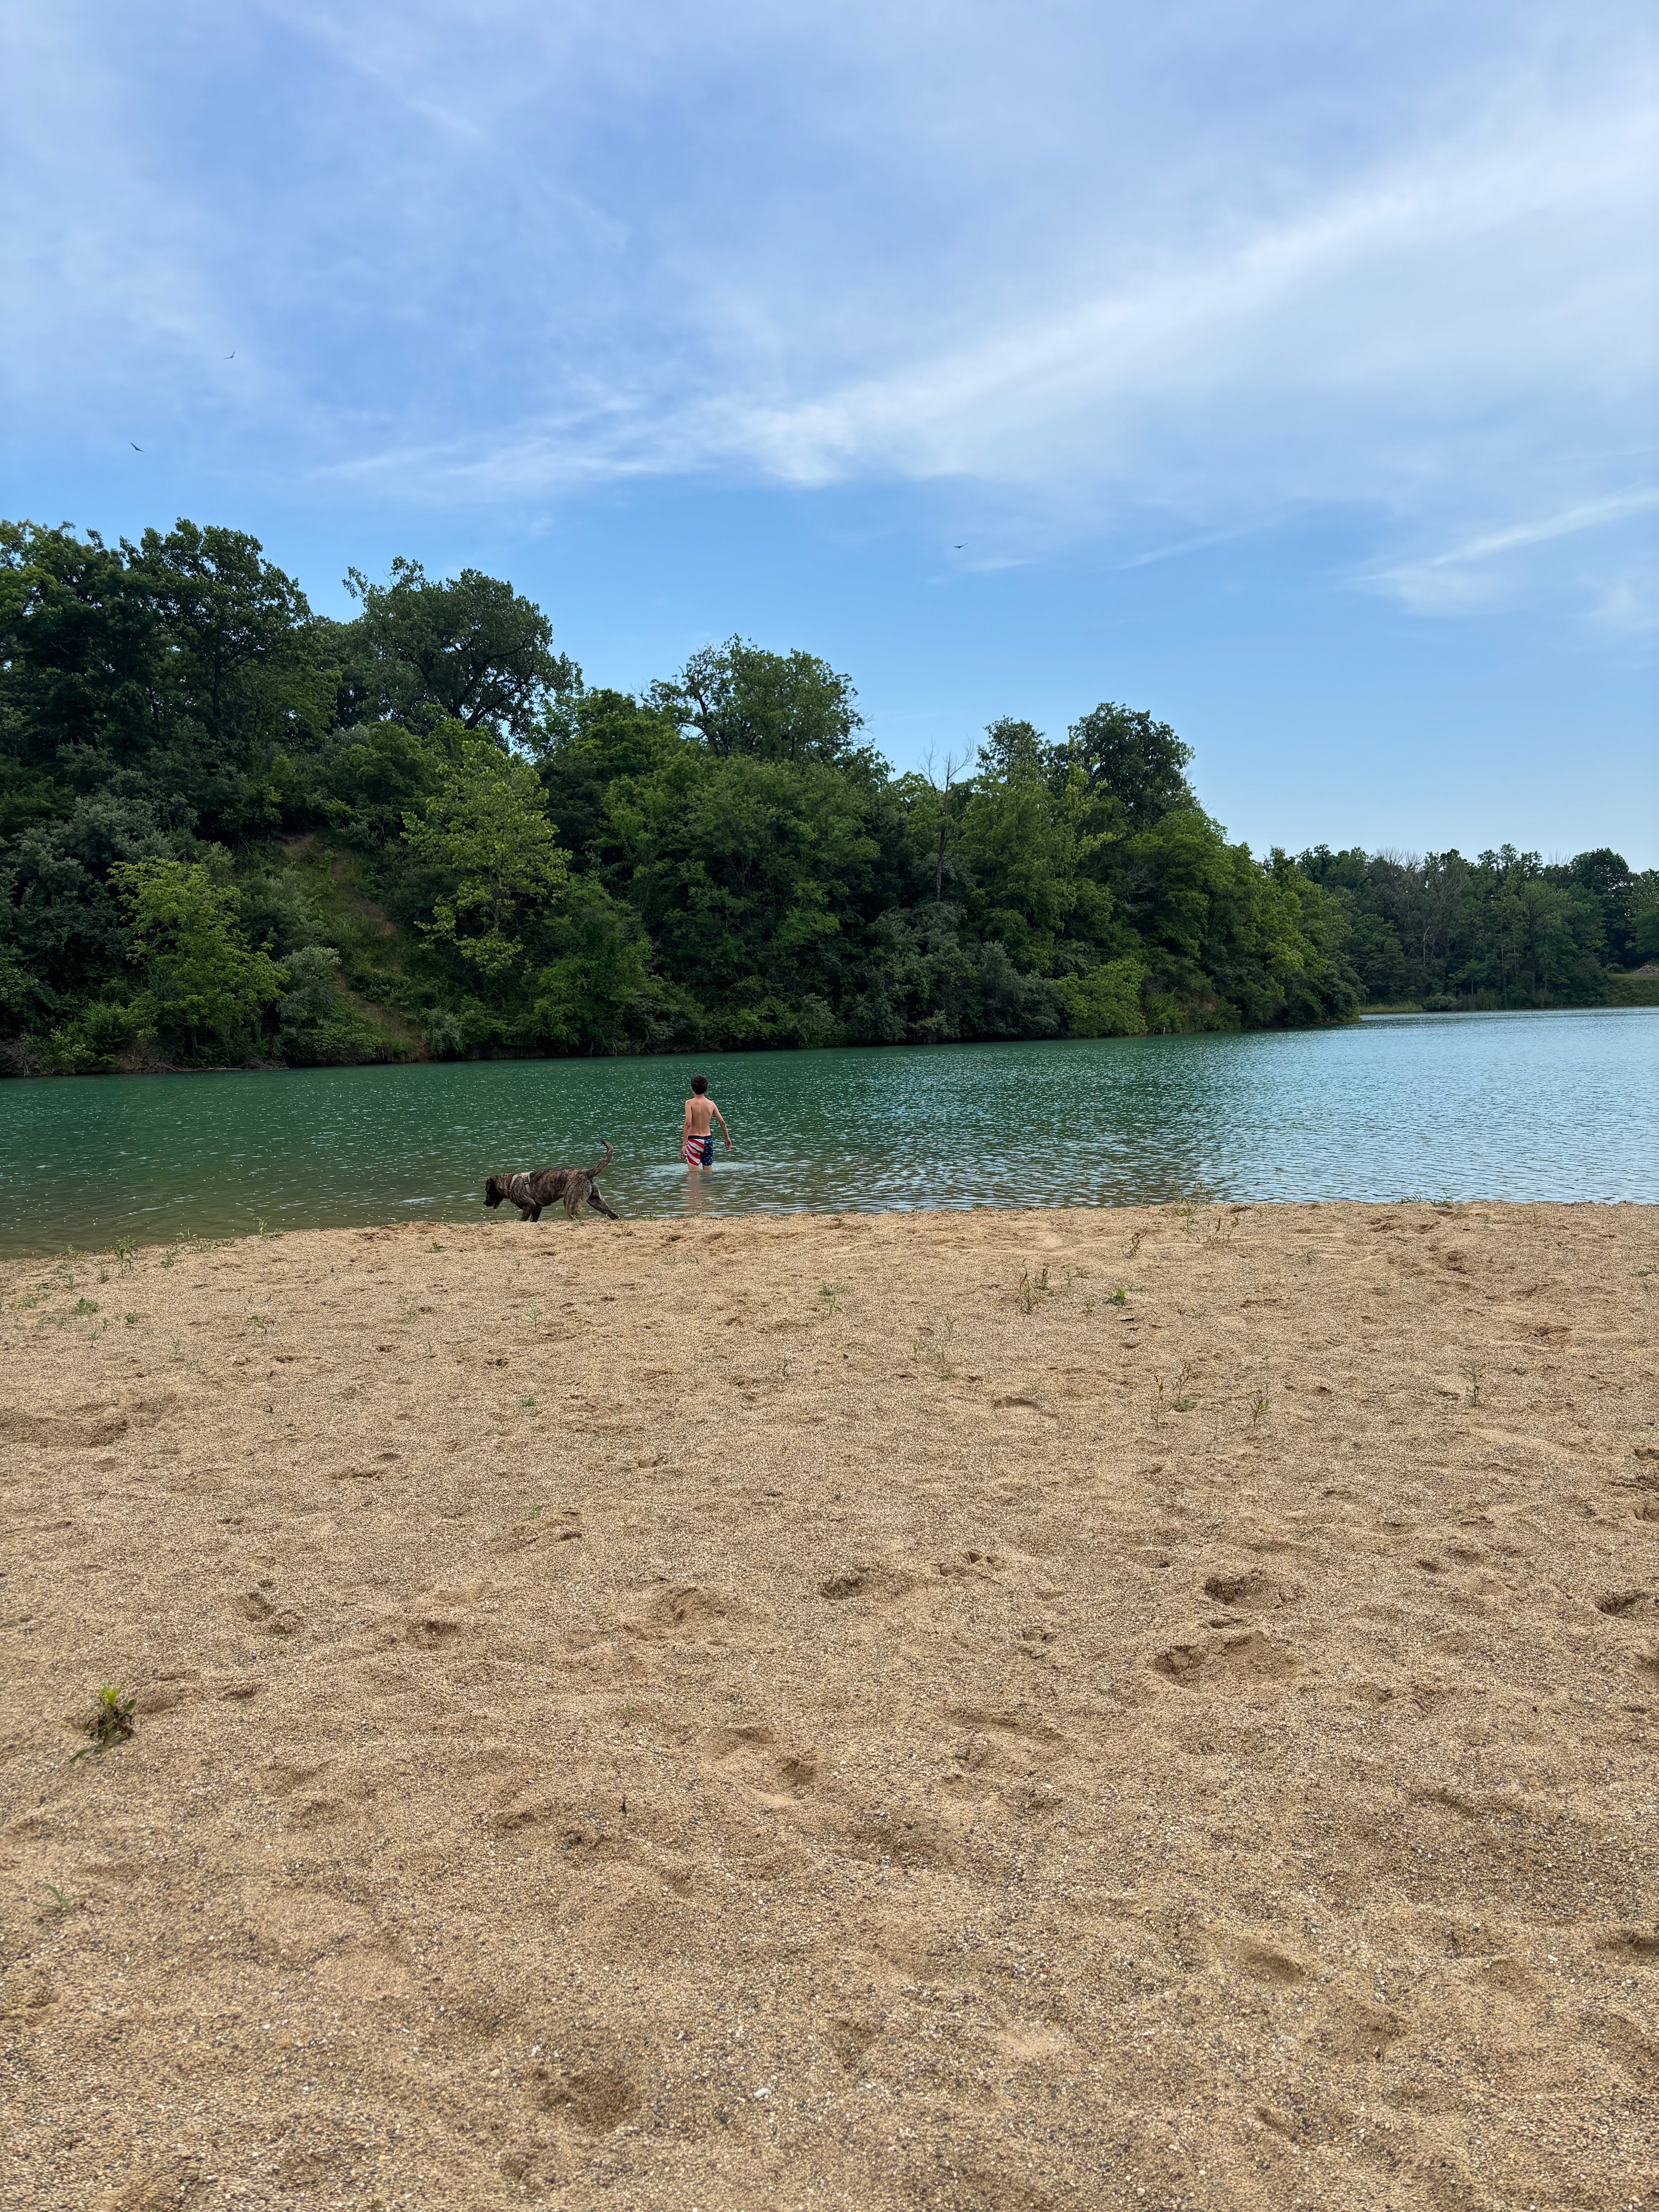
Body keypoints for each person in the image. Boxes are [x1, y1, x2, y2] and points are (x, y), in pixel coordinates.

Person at [681, 1074, 730, 1169]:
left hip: (694, 1141)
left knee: (693, 1174)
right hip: (708, 1141)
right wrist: (726, 1138)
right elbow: (722, 1122)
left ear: (692, 1089)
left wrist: (684, 1145)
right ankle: (708, 1184)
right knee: (708, 1172)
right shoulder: (711, 1104)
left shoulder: (689, 1103)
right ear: (706, 1089)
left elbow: (688, 1124)